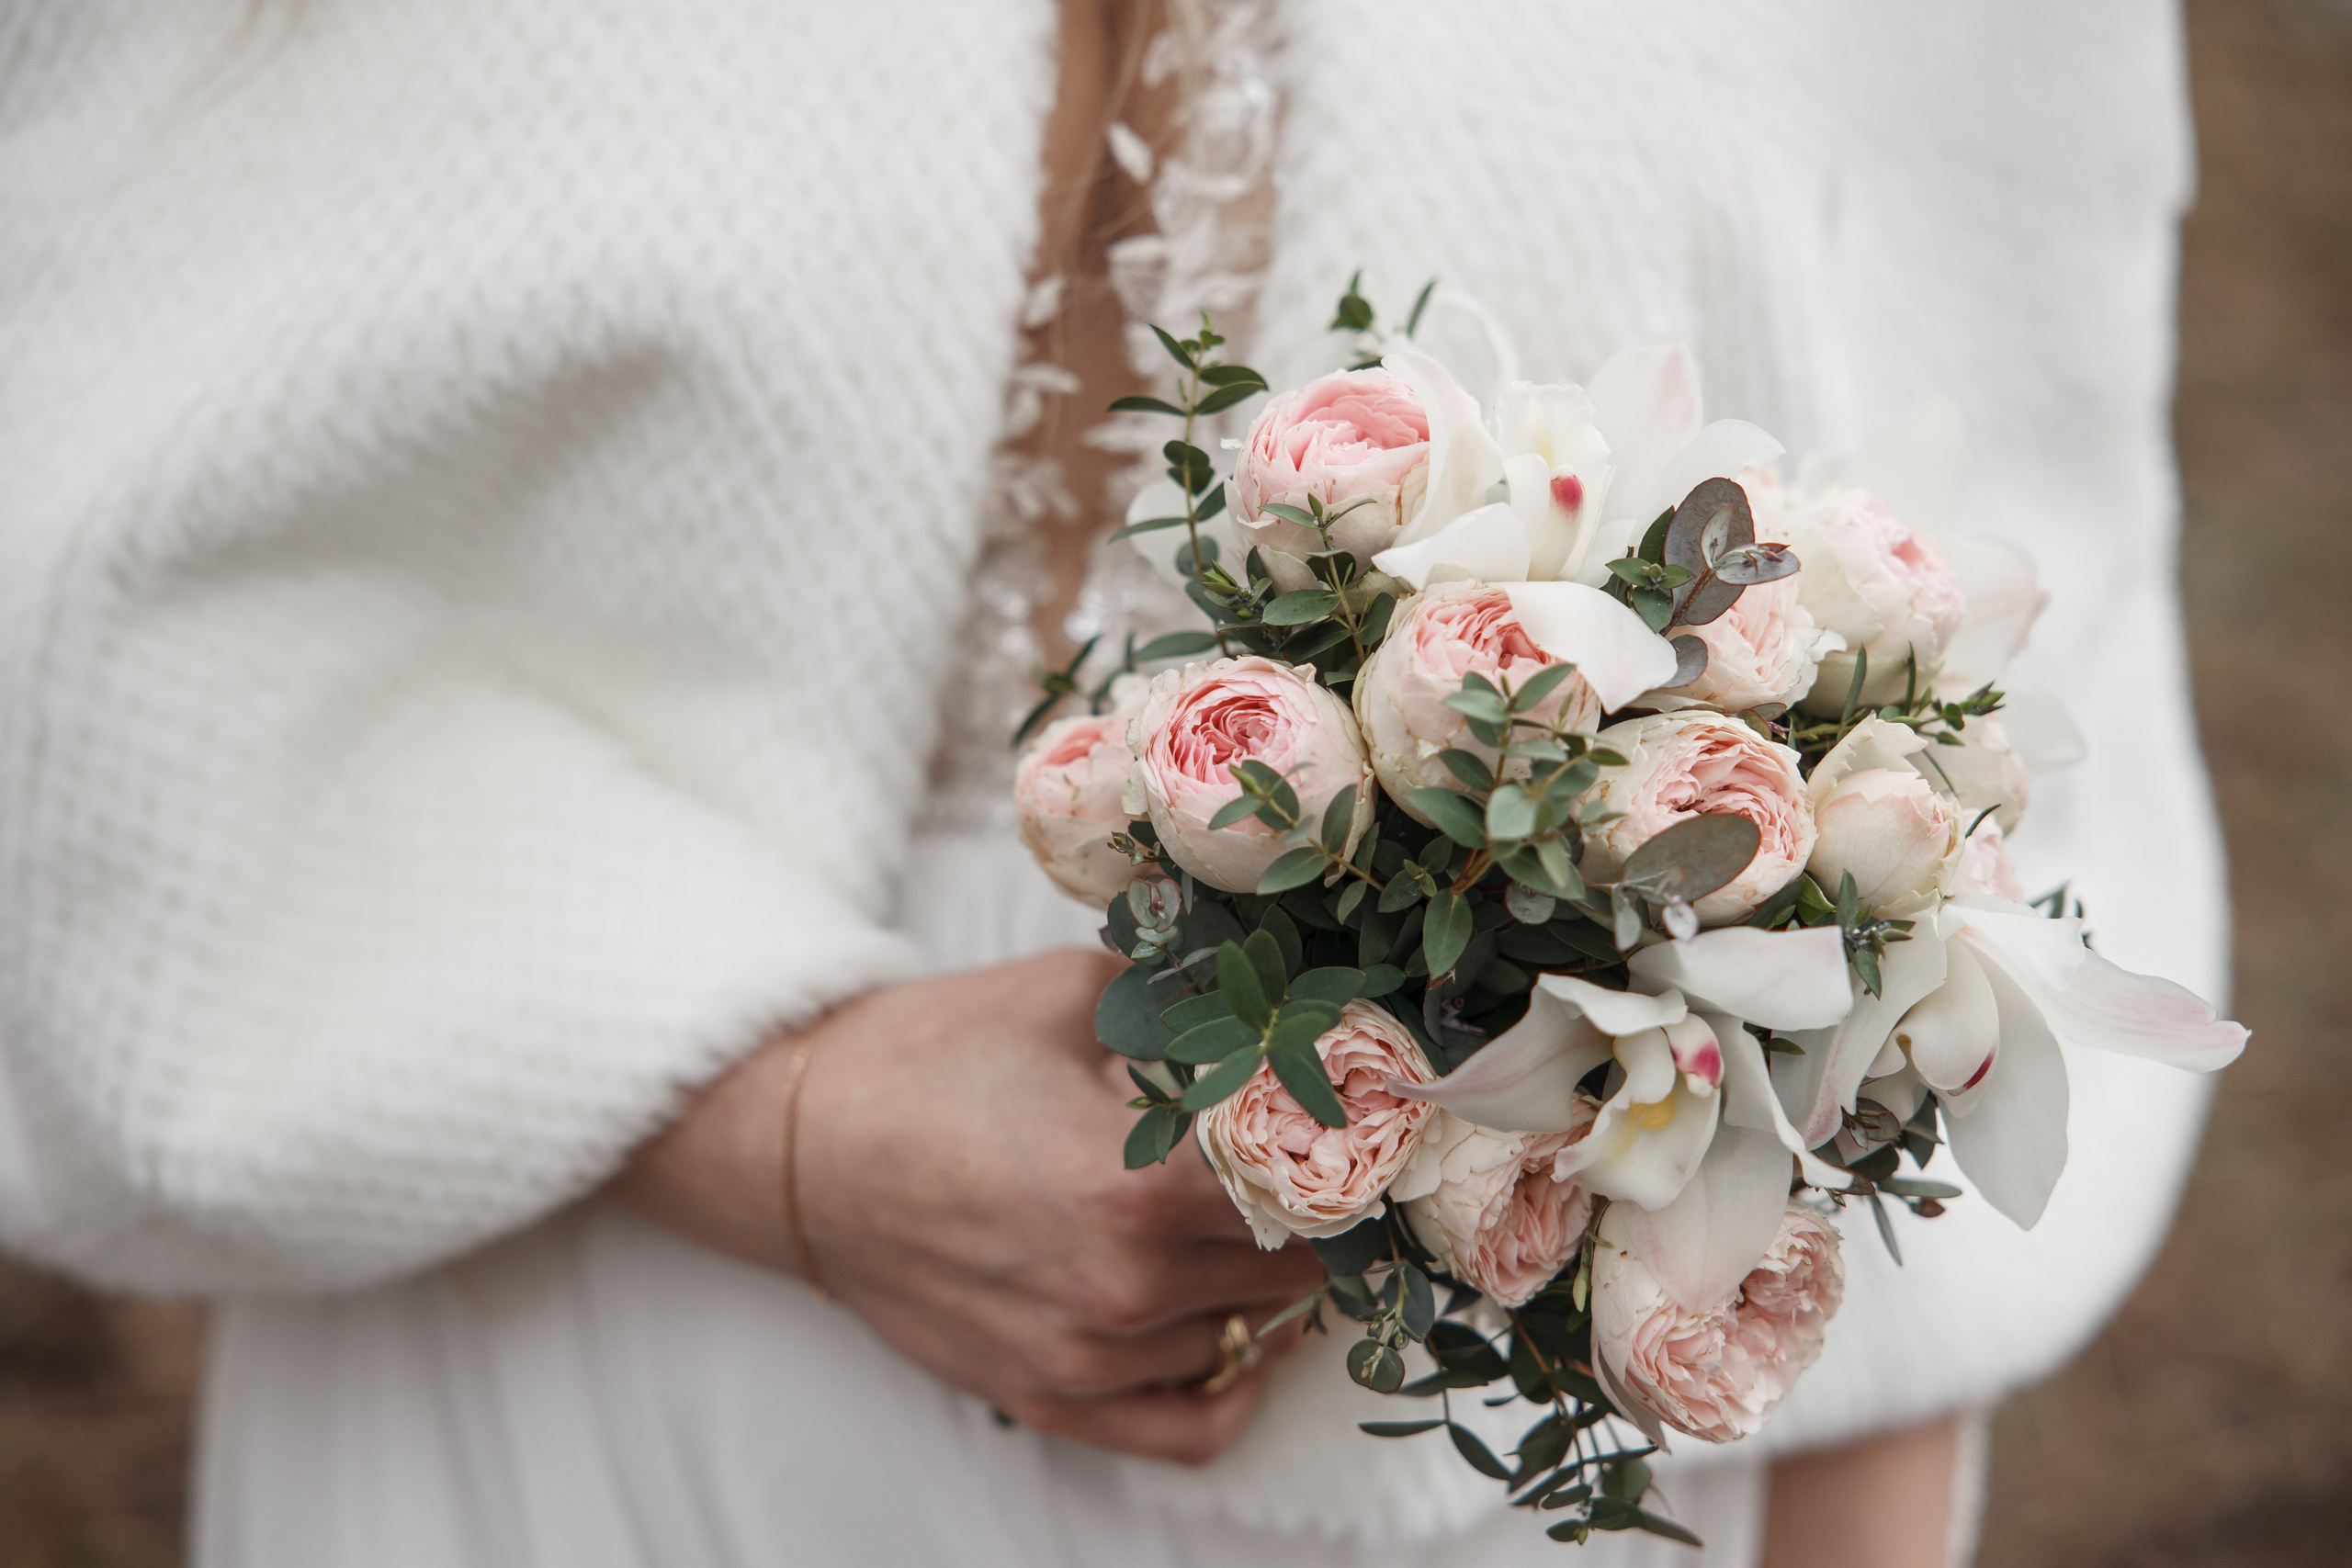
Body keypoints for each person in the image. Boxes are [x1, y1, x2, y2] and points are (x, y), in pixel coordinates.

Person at [0, 4, 2224, 1565]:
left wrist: (1851, 1503)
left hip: (1527, 1372)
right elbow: (102, 550)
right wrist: (752, 1128)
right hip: (565, 1282)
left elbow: (1991, 592)